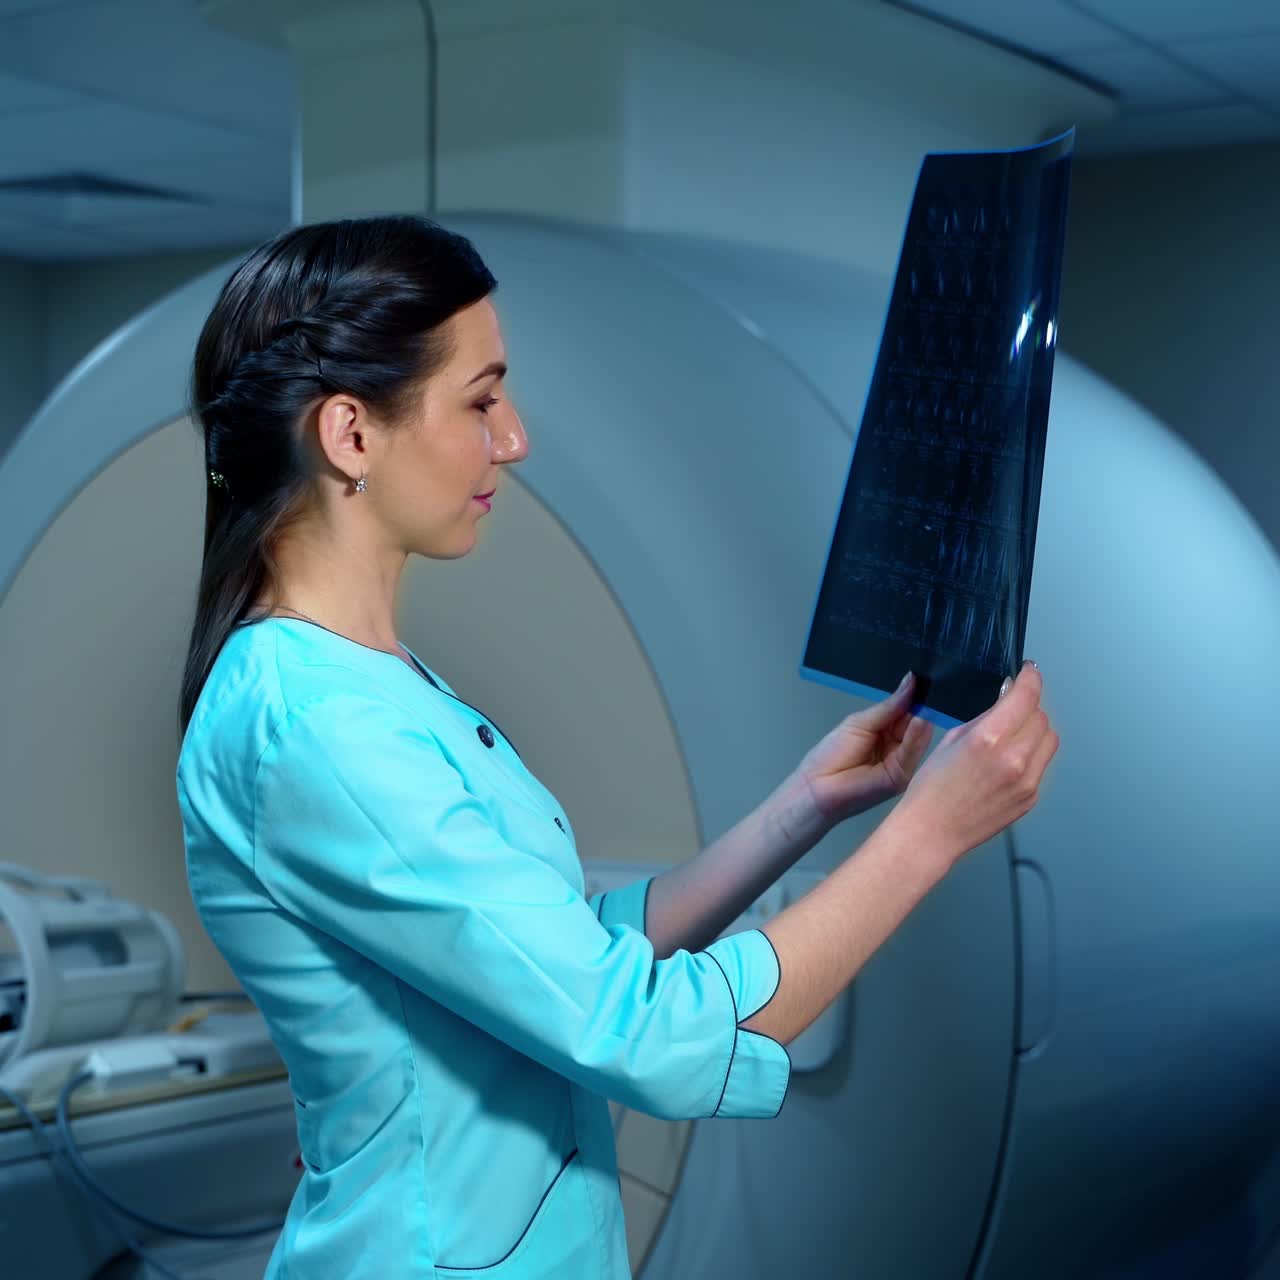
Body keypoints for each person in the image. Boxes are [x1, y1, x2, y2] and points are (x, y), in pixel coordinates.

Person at [175, 214, 1059, 1280]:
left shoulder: (372, 683)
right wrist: (929, 834)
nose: (514, 438)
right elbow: (641, 1036)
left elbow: (563, 959)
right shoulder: (316, 725)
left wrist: (806, 806)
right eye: (481, 399)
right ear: (350, 435)